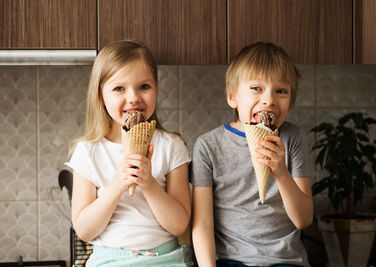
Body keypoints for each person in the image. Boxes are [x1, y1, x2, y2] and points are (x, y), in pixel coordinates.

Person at [66, 40, 193, 266]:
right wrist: (117, 185)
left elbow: (179, 225)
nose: (133, 97)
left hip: (165, 260)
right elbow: (84, 230)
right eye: (119, 88)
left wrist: (149, 183)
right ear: (101, 96)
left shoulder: (172, 146)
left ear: (156, 87)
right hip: (109, 260)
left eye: (144, 86)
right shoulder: (88, 152)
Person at [191, 42, 314, 267]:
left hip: (285, 260)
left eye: (281, 91)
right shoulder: (208, 146)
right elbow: (203, 224)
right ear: (232, 97)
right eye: (257, 88)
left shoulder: (292, 138)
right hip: (230, 260)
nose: (269, 100)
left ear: (290, 102)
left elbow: (303, 220)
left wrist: (281, 173)